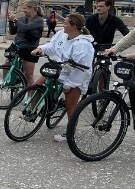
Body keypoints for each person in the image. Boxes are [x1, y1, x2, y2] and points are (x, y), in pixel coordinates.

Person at [31, 12, 94, 142]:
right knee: (36, 85)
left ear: (74, 26)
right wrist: (41, 49)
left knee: (71, 105)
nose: (62, 25)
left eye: (65, 23)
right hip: (59, 68)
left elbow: (80, 69)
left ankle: (70, 133)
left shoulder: (83, 44)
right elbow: (52, 46)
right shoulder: (61, 34)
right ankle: (33, 111)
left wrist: (68, 84)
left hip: (76, 76)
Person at [7, 0, 45, 85]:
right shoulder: (22, 19)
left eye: (25, 8)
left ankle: (31, 96)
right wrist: (10, 21)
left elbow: (25, 28)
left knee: (28, 75)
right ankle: (5, 82)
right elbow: (13, 31)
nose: (24, 10)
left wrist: (15, 20)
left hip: (30, 48)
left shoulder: (38, 20)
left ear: (33, 9)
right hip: (17, 45)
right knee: (6, 63)